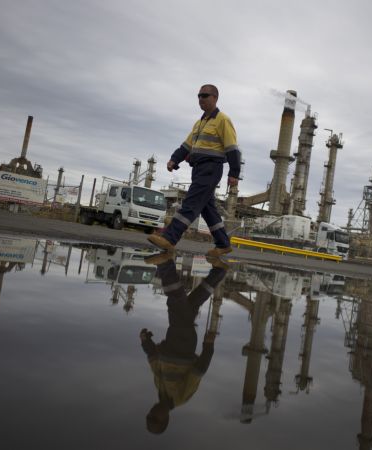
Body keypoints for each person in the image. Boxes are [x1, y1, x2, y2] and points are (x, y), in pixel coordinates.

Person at [147, 84, 241, 257]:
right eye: (199, 95)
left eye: (204, 95)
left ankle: (169, 238)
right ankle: (223, 244)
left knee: (191, 202)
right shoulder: (199, 123)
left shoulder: (222, 120)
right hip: (198, 169)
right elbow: (186, 146)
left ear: (215, 98)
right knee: (208, 209)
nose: (200, 99)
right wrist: (174, 159)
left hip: (211, 168)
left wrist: (234, 173)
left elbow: (232, 148)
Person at [140, 253, 227, 434]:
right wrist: (208, 346)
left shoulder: (160, 390)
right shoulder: (180, 398)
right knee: (175, 304)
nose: (152, 413)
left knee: (191, 303)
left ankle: (219, 271)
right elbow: (199, 371)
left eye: (149, 416)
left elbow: (154, 362)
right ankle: (165, 265)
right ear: (165, 419)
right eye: (155, 419)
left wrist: (146, 342)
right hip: (184, 345)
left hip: (171, 340)